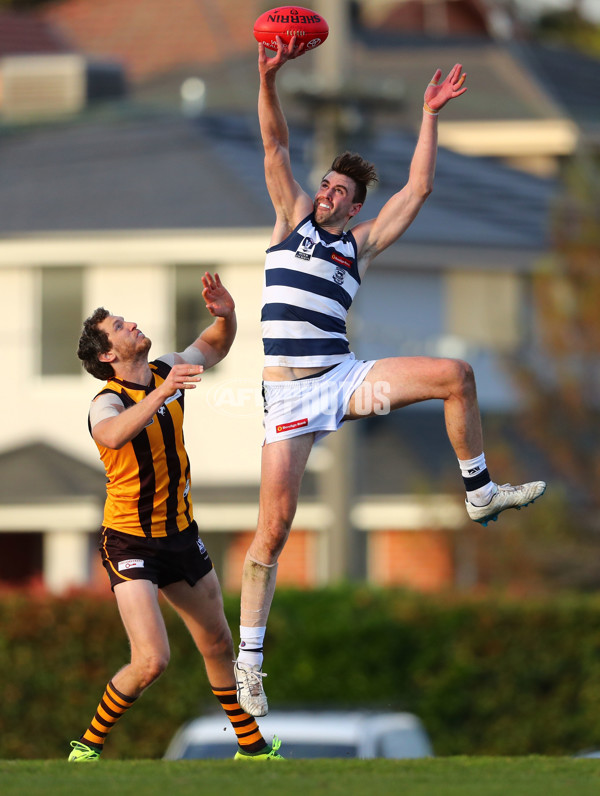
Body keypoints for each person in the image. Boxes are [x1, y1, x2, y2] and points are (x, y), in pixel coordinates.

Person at [233, 38, 547, 717]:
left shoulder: (361, 245)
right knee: (274, 531)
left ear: (353, 208)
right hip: (288, 397)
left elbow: (421, 188)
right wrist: (268, 77)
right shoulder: (289, 218)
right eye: (326, 185)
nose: (326, 193)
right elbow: (274, 145)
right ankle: (250, 667)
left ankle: (480, 492)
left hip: (345, 379)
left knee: (455, 375)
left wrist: (431, 115)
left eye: (340, 191)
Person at [70, 272, 282, 761]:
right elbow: (112, 436)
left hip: (181, 537)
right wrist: (164, 393)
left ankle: (250, 751)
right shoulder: (108, 399)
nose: (132, 324)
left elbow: (214, 345)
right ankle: (88, 747)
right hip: (130, 542)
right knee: (151, 660)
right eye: (120, 326)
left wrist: (225, 314)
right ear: (108, 355)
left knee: (218, 643)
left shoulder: (167, 369)